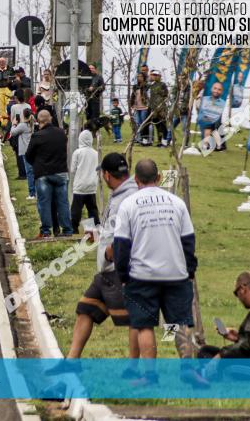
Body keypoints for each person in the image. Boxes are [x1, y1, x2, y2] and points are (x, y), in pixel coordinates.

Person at [114, 159, 197, 373]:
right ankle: (188, 371)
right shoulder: (177, 203)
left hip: (142, 275)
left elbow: (121, 245)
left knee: (144, 325)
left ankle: (150, 375)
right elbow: (188, 241)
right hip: (176, 274)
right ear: (158, 178)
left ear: (135, 180)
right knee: (181, 322)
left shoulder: (128, 205)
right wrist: (189, 271)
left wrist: (123, 276)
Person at [63, 152, 139, 361]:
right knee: (85, 308)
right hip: (107, 271)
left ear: (106, 175)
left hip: (118, 269)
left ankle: (135, 369)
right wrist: (99, 234)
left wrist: (108, 252)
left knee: (135, 320)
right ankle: (71, 360)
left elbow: (123, 237)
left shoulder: (124, 199)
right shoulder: (127, 192)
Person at [191, 272, 250, 360]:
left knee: (207, 355)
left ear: (242, 289)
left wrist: (222, 355)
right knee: (207, 350)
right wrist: (238, 337)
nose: (238, 298)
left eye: (236, 293)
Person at [25, 109, 71, 238]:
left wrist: (37, 163)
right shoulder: (62, 133)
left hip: (43, 174)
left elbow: (28, 156)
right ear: (50, 118)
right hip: (61, 173)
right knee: (63, 202)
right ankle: (67, 230)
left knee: (44, 203)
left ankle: (46, 231)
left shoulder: (37, 136)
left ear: (39, 121)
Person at [70, 130, 100, 235]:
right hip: (92, 185)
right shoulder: (96, 153)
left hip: (80, 185)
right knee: (92, 209)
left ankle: (74, 228)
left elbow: (73, 170)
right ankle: (93, 231)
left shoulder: (77, 152)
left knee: (76, 209)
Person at [10, 108, 35, 200]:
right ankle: (34, 192)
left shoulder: (22, 125)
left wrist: (14, 124)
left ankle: (32, 193)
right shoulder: (31, 124)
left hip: (25, 150)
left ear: (23, 116)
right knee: (32, 171)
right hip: (32, 149)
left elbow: (13, 133)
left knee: (29, 172)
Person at [197, 81, 227, 149]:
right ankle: (207, 145)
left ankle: (218, 145)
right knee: (207, 127)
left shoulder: (222, 102)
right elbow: (199, 106)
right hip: (206, 117)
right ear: (211, 89)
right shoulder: (204, 98)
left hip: (215, 118)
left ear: (222, 92)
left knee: (215, 127)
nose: (216, 91)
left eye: (219, 89)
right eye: (215, 88)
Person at [147, 70, 170, 147]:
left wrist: (161, 106)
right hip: (153, 109)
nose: (154, 76)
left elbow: (166, 96)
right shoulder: (152, 85)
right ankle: (159, 141)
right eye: (153, 75)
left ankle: (165, 142)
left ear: (159, 76)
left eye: (155, 75)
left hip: (161, 109)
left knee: (163, 125)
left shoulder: (162, 84)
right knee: (157, 125)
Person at [130, 72, 150, 145]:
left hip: (144, 107)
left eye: (141, 76)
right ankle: (138, 138)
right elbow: (133, 95)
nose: (139, 78)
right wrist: (131, 103)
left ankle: (145, 139)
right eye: (138, 76)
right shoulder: (135, 86)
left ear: (144, 77)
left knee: (143, 123)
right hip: (136, 107)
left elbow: (148, 96)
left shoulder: (147, 86)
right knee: (137, 123)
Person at [0, 57, 14, 127]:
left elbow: (13, 80)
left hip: (8, 89)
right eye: (0, 62)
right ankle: (4, 124)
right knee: (1, 107)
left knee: (9, 105)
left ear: (5, 62)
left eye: (3, 61)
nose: (2, 63)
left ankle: (10, 122)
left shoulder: (10, 69)